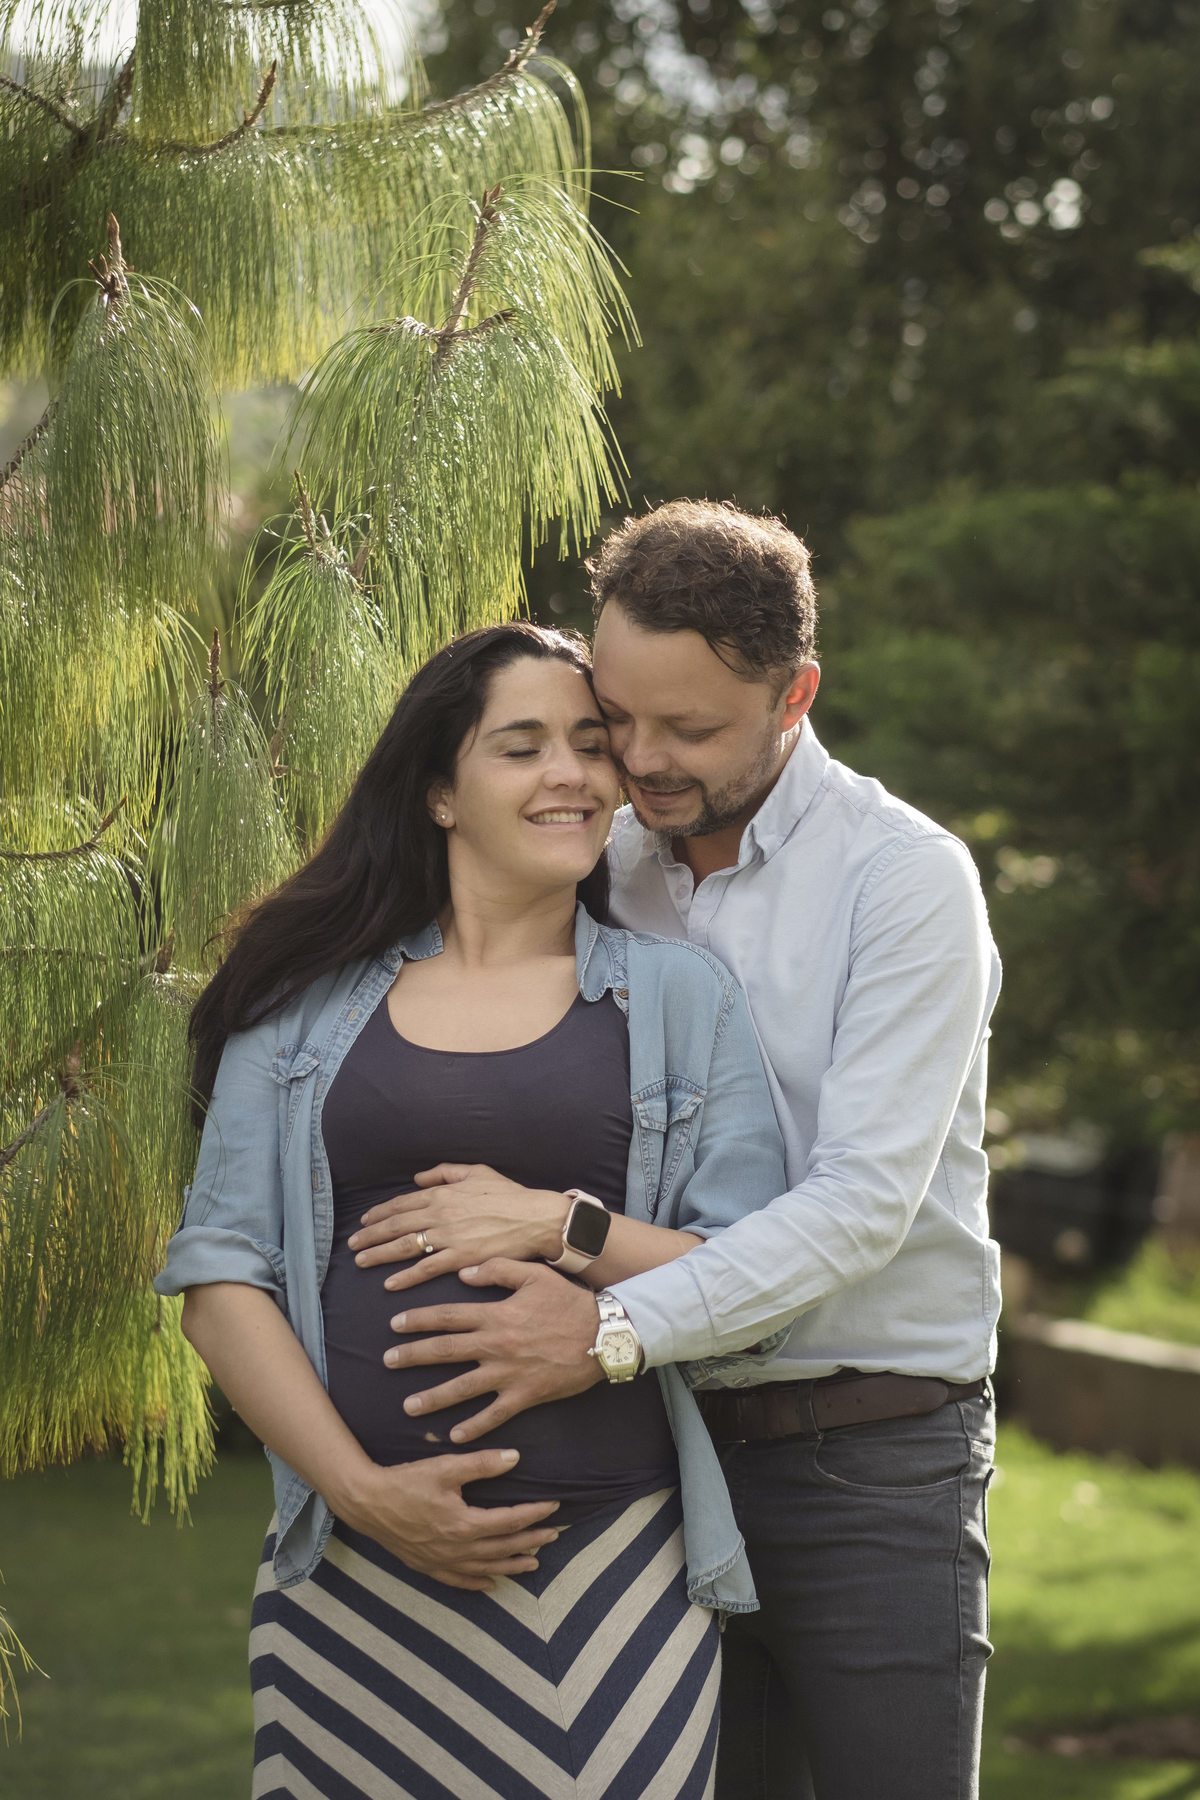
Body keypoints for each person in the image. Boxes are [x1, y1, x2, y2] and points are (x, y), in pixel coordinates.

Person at [359, 504, 1002, 1800]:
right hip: (651, 1457)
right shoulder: (599, 862)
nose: (639, 763)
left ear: (796, 696)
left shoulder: (905, 884)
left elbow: (859, 1208)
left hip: (866, 1459)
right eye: (619, 718)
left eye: (690, 731)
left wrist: (603, 1323)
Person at [155, 619, 789, 1800]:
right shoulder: (299, 1003)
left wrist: (563, 1224)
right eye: (524, 746)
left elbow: (748, 1272)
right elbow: (218, 1273)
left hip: (617, 1574)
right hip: (356, 1577)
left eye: (591, 744)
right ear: (441, 791)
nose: (575, 774)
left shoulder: (677, 998)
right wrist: (363, 1493)